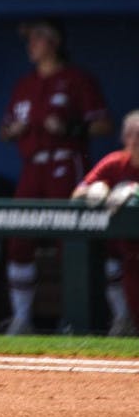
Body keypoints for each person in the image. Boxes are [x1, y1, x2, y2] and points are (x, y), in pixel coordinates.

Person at [0, 20, 112, 335]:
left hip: (66, 162)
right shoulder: (24, 85)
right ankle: (22, 319)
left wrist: (70, 128)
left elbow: (104, 125)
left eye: (36, 38)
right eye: (30, 39)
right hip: (32, 165)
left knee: (71, 239)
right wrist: (14, 131)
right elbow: (3, 129)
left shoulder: (76, 80)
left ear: (54, 42)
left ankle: (74, 319)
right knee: (18, 237)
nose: (30, 45)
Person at [71, 109, 139, 337]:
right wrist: (97, 188)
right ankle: (123, 320)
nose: (137, 140)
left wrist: (134, 190)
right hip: (128, 252)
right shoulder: (115, 163)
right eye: (132, 134)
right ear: (124, 138)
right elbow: (77, 194)